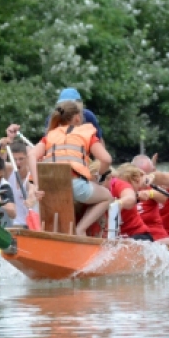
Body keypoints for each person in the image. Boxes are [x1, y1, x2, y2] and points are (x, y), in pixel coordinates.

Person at [29, 100, 113, 237]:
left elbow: (31, 155)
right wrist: (97, 176)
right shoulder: (87, 133)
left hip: (48, 187)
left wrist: (37, 184)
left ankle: (51, 239)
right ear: (77, 117)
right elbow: (107, 159)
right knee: (107, 197)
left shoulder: (49, 135)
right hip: (74, 184)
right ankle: (80, 229)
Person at [106, 164, 155, 241]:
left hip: (140, 235)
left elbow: (162, 195)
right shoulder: (117, 186)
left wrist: (151, 192)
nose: (129, 188)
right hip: (122, 237)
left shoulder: (141, 186)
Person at [131, 154, 168, 240]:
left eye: (147, 174)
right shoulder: (123, 185)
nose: (145, 178)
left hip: (155, 236)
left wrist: (150, 193)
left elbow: (165, 198)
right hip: (132, 236)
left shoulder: (153, 184)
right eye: (141, 174)